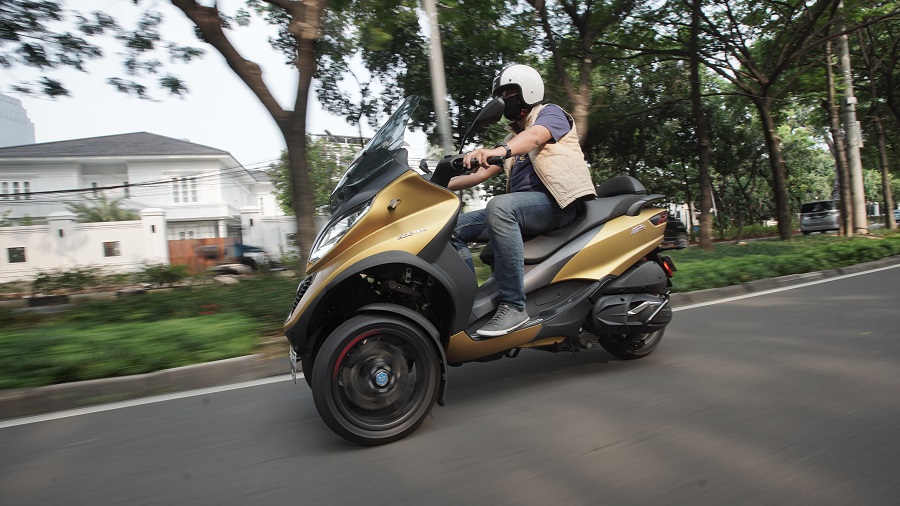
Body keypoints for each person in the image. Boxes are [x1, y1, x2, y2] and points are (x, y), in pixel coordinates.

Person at [448, 64, 596, 337]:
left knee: (500, 206)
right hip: (526, 208)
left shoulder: (550, 114)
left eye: (509, 93)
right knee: (451, 227)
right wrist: (433, 183)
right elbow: (479, 175)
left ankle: (514, 306)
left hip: (558, 203)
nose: (504, 100)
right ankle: (466, 302)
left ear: (528, 92)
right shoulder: (512, 139)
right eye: (501, 96)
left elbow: (535, 137)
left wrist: (499, 150)